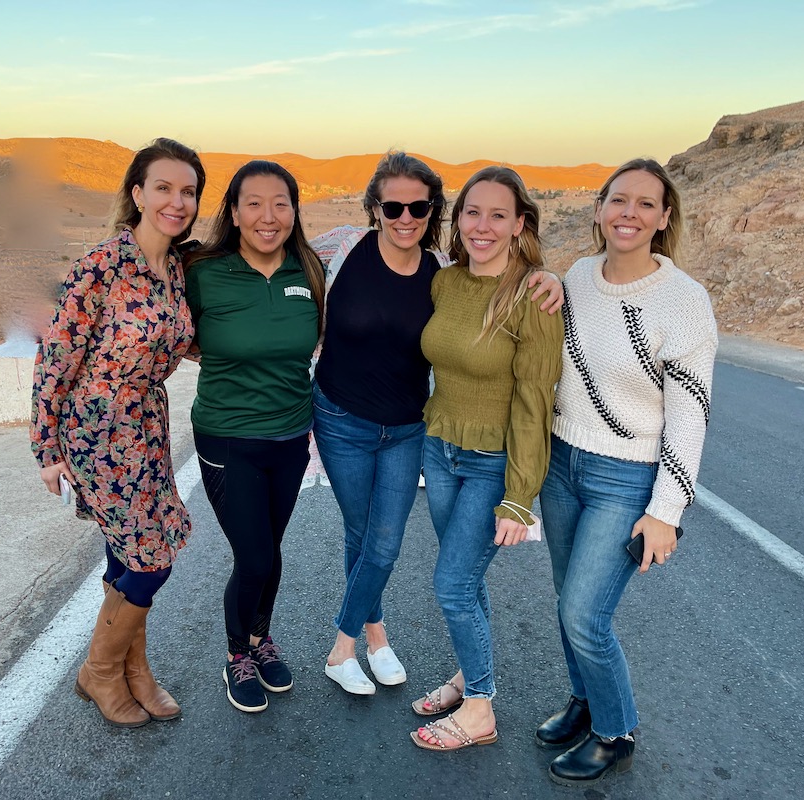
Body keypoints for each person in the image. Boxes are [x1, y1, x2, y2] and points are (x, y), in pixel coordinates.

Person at [310, 153, 564, 696]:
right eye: (393, 207)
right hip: (348, 422)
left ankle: (344, 649)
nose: (405, 217)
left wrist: (552, 279)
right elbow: (276, 265)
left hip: (411, 430)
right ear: (374, 208)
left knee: (390, 546)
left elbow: (532, 388)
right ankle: (377, 638)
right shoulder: (349, 253)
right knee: (365, 536)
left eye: (419, 207)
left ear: (433, 211)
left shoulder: (443, 273)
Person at [535, 158, 717, 786]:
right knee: (567, 600)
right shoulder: (578, 277)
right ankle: (585, 701)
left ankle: (614, 733)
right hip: (561, 464)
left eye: (645, 204)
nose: (629, 213)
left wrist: (666, 511)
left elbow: (689, 416)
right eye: (618, 200)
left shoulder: (684, 302)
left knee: (585, 614)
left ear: (664, 218)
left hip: (626, 478)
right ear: (599, 210)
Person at [31, 138, 206, 727]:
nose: (177, 202)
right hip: (96, 431)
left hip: (147, 428)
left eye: (188, 192)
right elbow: (56, 357)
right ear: (138, 193)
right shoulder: (103, 264)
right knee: (152, 562)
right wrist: (46, 449)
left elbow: (183, 342)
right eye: (164, 188)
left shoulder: (176, 269)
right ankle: (99, 671)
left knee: (124, 554)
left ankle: (136, 670)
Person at [411, 166, 563, 751]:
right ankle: (465, 675)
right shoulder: (445, 283)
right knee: (467, 580)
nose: (482, 226)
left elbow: (535, 402)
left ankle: (479, 710)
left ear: (520, 223)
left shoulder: (534, 296)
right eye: (472, 212)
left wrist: (520, 497)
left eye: (499, 215)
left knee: (451, 584)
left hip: (490, 463)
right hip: (439, 450)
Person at [185, 160, 326, 713]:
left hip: (290, 438)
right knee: (255, 555)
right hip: (227, 437)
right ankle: (236, 655)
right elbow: (177, 334)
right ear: (235, 212)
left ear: (294, 211)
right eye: (254, 203)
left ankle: (260, 639)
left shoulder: (309, 270)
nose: (268, 216)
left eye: (280, 204)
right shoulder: (204, 271)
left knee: (270, 549)